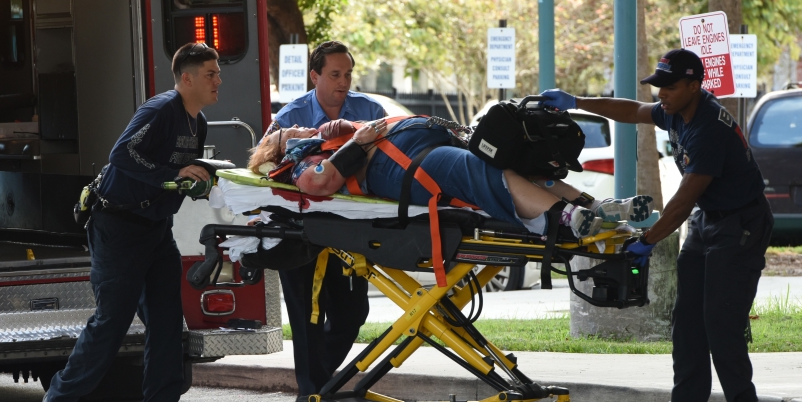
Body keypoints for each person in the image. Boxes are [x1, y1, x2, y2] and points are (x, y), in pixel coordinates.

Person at [540, 48, 772, 402]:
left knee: (721, 319)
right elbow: (632, 111)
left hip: (741, 223)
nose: (661, 93)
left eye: (670, 86)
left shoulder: (708, 129)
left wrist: (647, 239)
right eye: (658, 85)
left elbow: (683, 199)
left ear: (694, 86)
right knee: (687, 319)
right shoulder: (677, 110)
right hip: (708, 219)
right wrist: (576, 102)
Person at [36, 43, 221, 402]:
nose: (218, 81)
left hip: (156, 231)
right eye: (210, 74)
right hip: (117, 228)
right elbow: (122, 155)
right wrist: (172, 171)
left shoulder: (198, 122)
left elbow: (172, 177)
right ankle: (57, 399)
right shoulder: (159, 110)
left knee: (168, 323)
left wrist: (196, 181)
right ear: (186, 78)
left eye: (218, 73)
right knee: (112, 324)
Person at [250, 117, 651, 240]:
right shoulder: (301, 162)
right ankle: (560, 220)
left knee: (509, 164)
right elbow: (318, 185)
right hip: (401, 169)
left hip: (416, 151)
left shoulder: (330, 134)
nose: (301, 128)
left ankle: (594, 207)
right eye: (291, 132)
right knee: (470, 169)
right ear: (281, 151)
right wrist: (355, 141)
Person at [263, 41, 386, 402]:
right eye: (335, 74)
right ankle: (312, 400)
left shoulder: (369, 112)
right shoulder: (291, 116)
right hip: (303, 230)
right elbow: (266, 165)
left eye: (348, 74)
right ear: (315, 76)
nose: (344, 82)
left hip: (352, 229)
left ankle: (316, 390)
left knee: (353, 314)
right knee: (307, 319)